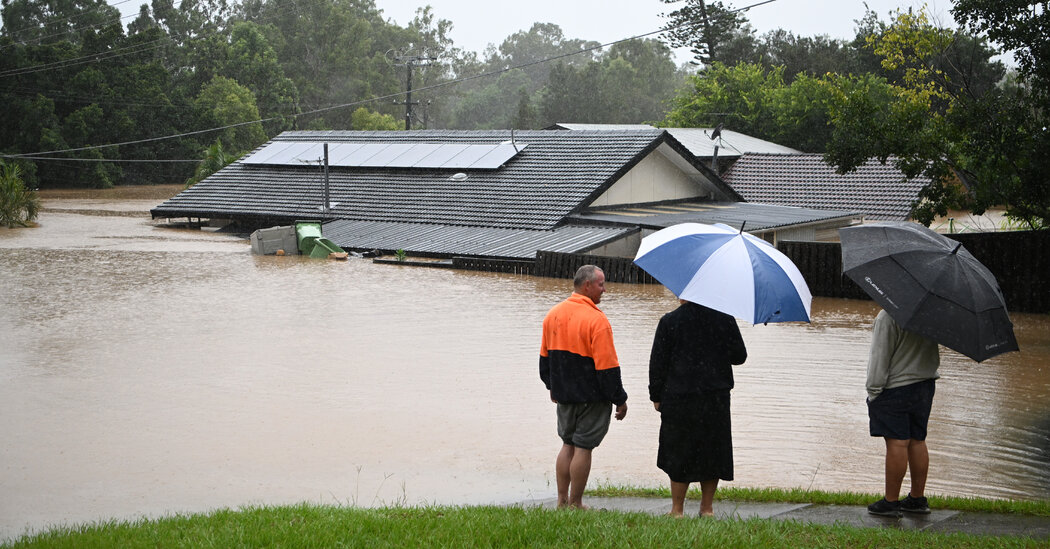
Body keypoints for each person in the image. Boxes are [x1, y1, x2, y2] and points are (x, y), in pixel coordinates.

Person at [539, 265, 628, 509]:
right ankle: (577, 503)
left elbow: (544, 361)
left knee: (567, 443)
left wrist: (552, 387)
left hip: (564, 395)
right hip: (592, 396)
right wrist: (619, 399)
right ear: (587, 285)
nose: (605, 289)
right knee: (583, 446)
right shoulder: (597, 320)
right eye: (601, 284)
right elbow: (607, 367)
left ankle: (561, 500)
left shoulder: (553, 314)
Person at [648, 299, 747, 518]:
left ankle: (677, 510)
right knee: (713, 450)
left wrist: (655, 395)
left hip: (679, 396)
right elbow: (739, 357)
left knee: (678, 450)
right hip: (715, 397)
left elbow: (658, 362)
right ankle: (707, 508)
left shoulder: (670, 321)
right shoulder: (724, 319)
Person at [865, 308, 940, 517]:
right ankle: (917, 499)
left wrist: (873, 391)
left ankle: (890, 502)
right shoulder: (930, 314)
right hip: (925, 385)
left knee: (897, 442)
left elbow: (880, 357)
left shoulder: (887, 317)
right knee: (917, 440)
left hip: (896, 387)